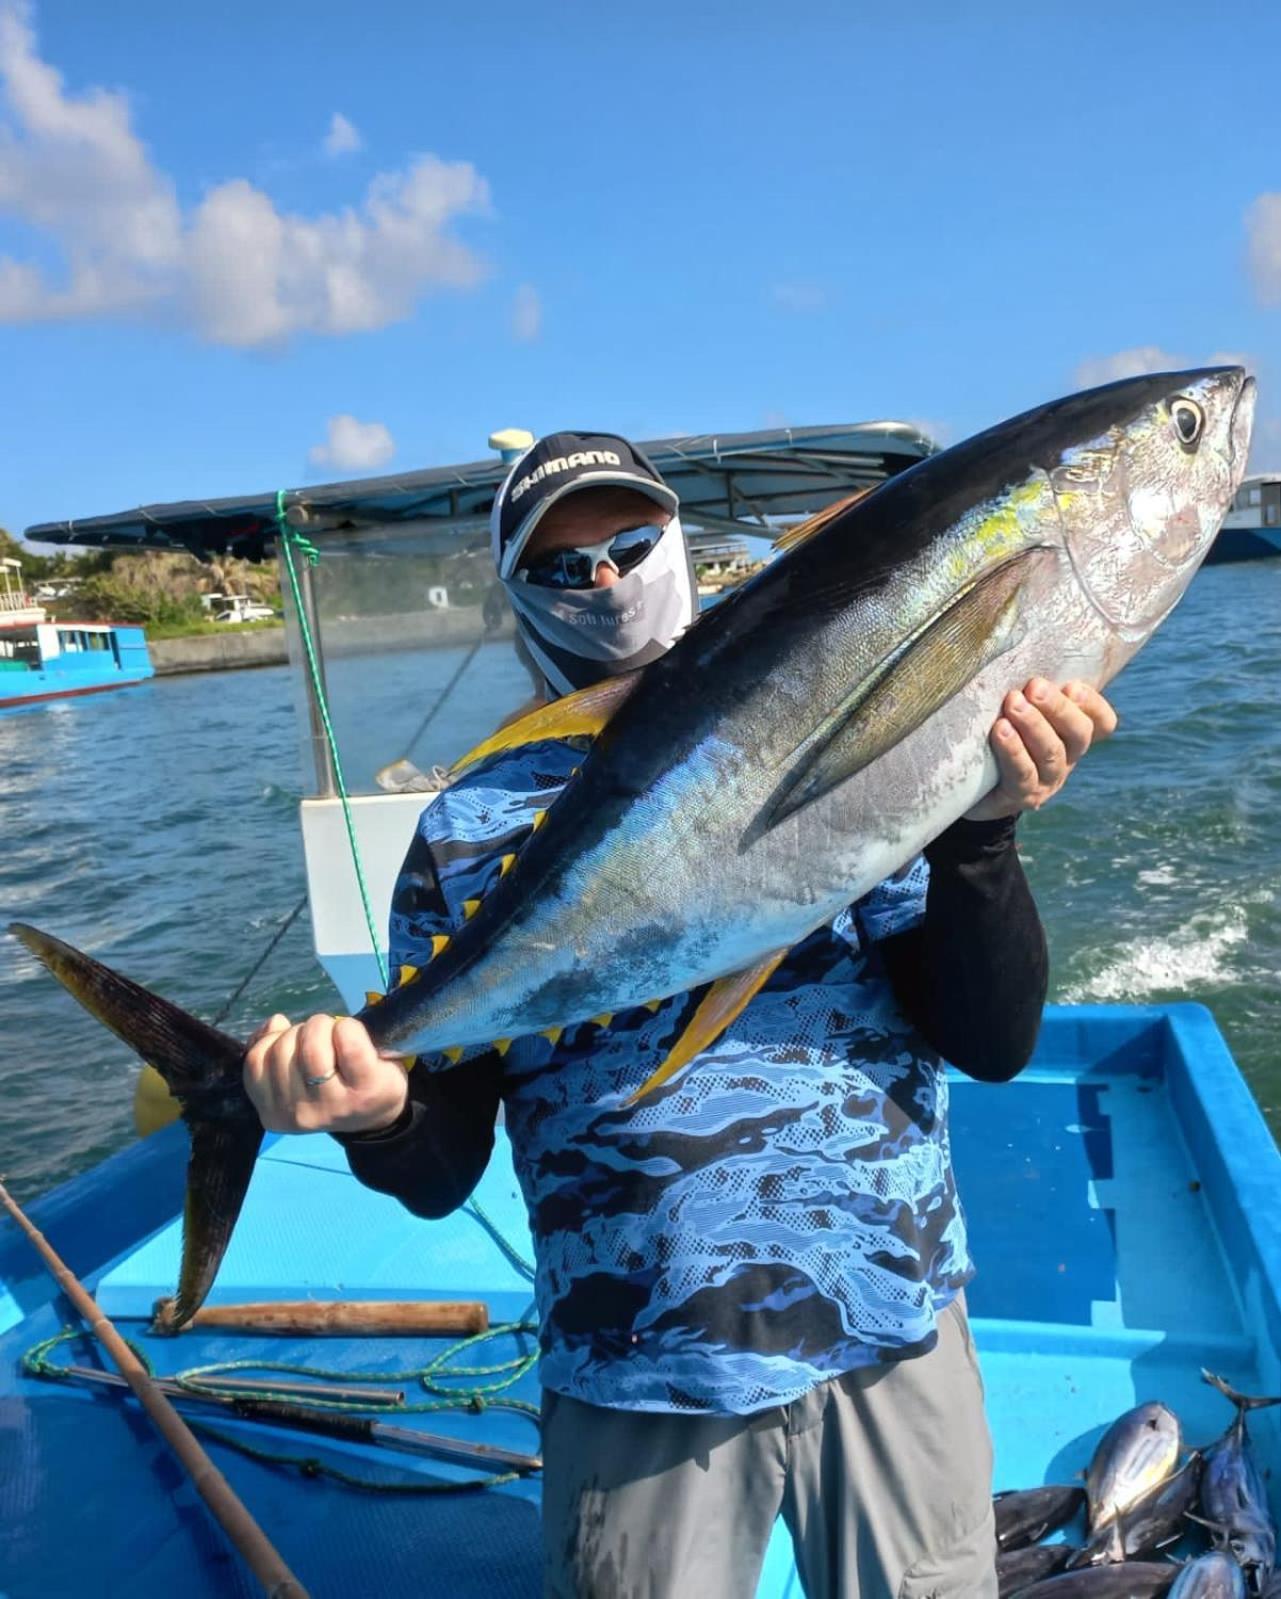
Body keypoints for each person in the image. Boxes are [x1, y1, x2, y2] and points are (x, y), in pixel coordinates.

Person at [245, 430, 1118, 1599]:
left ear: (679, 545)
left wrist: (983, 829)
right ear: (519, 597)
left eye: (629, 543)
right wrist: (377, 1112)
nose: (603, 579)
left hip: (892, 1325)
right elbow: (441, 1165)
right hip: (637, 1371)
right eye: (563, 567)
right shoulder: (468, 825)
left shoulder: (840, 709)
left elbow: (990, 1041)